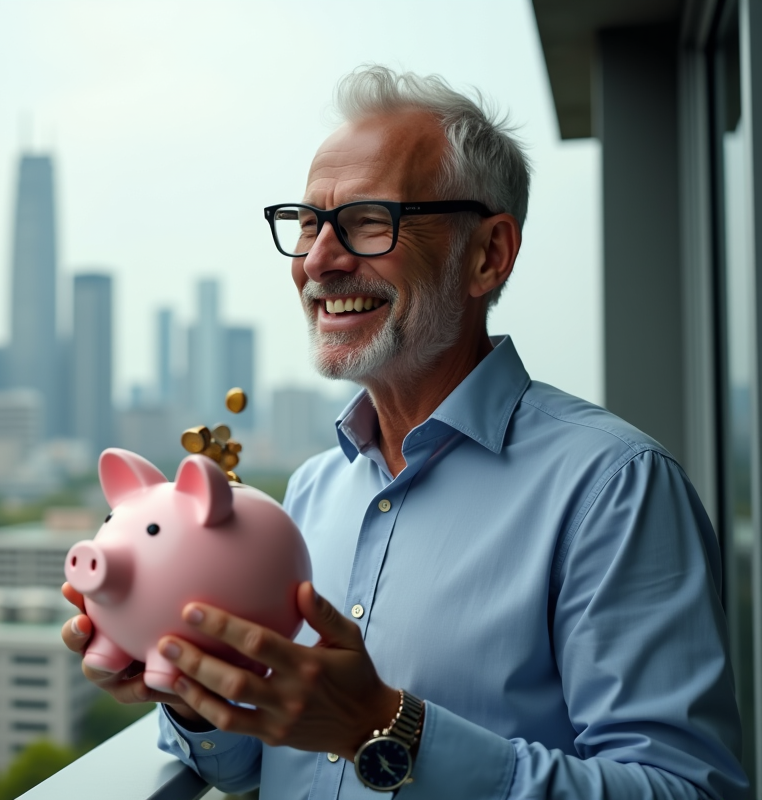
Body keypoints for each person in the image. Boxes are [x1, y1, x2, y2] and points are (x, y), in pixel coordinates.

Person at [60, 65, 751, 799]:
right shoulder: (311, 490)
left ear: (488, 254)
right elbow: (245, 761)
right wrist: (181, 677)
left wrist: (387, 728)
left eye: (366, 220)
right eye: (306, 223)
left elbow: (688, 790)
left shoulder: (613, 487)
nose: (318, 261)